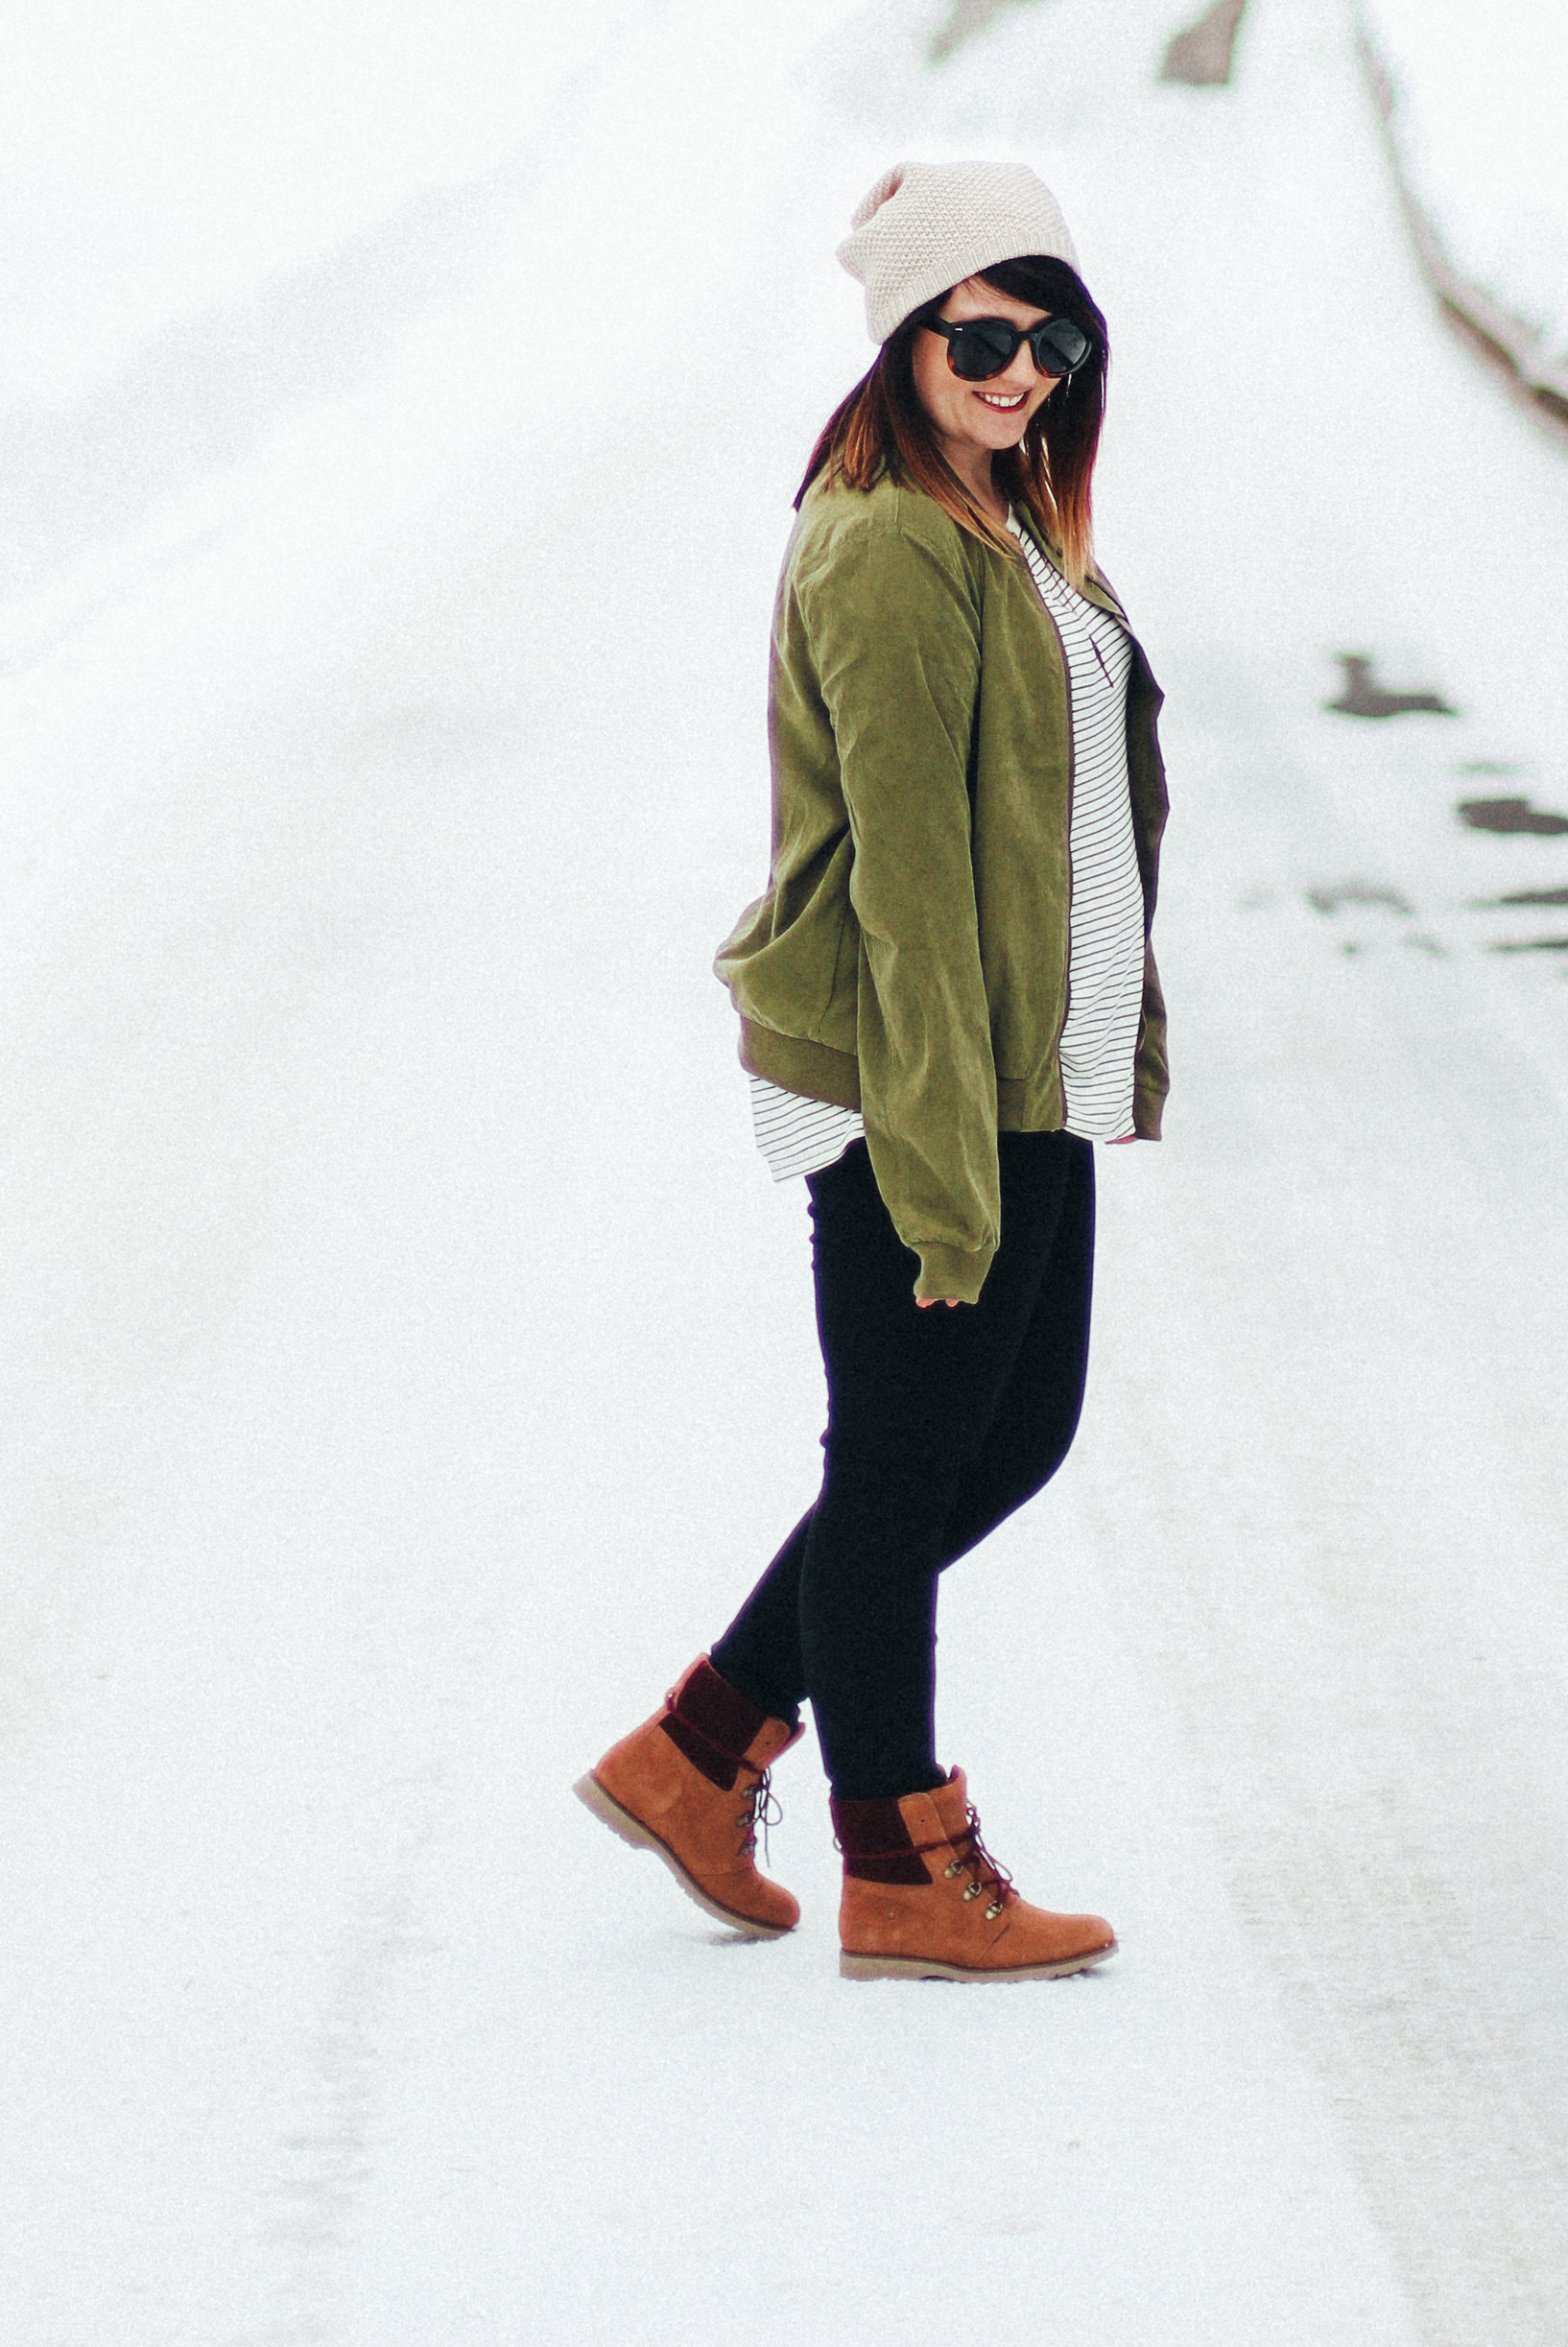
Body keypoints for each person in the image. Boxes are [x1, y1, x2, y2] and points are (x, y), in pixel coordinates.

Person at [578, 158, 1169, 1982]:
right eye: (982, 335)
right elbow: (911, 886)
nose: (1020, 373)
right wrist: (931, 1173)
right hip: (934, 1077)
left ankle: (700, 1751)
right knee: (906, 1461)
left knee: (1001, 1437)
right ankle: (900, 1855)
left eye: (1050, 338)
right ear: (904, 334)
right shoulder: (890, 542)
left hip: (1030, 1063)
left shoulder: (1005, 521)